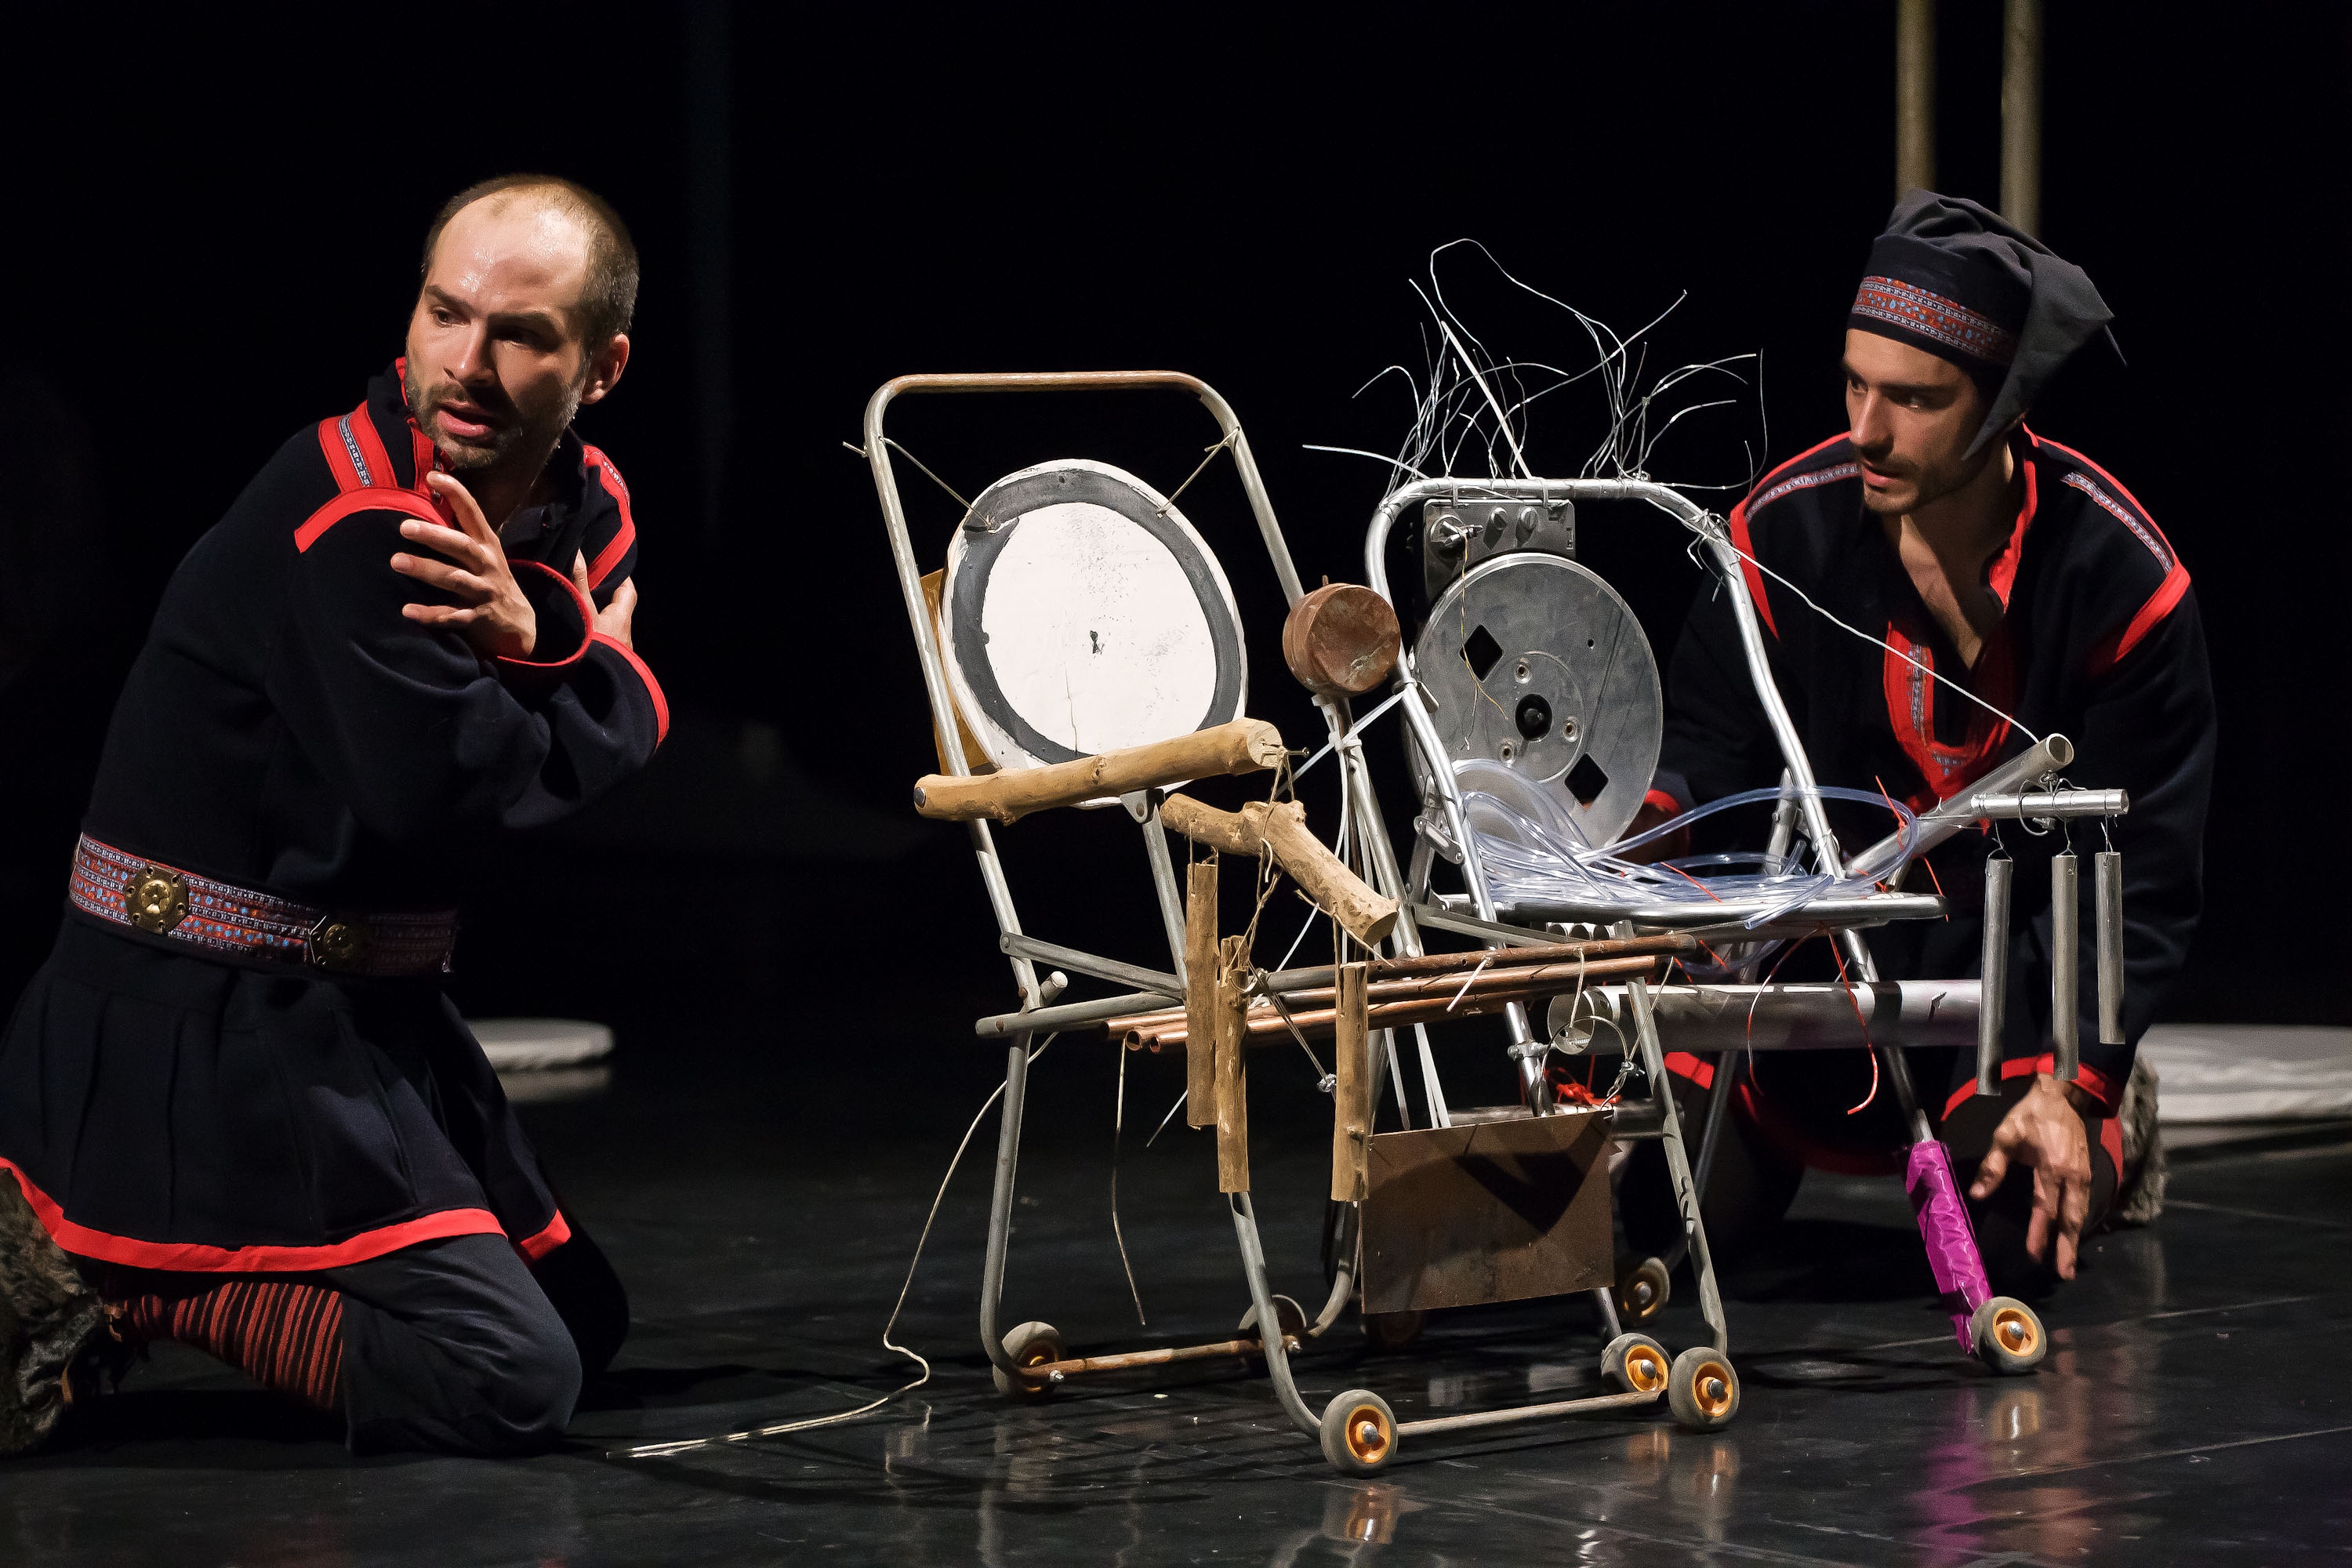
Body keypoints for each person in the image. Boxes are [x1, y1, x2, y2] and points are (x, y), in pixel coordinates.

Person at [0, 174, 669, 1457]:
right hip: (198, 1021)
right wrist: (602, 676)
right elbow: (471, 802)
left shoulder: (580, 502)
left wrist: (543, 641)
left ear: (601, 367)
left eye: (520, 335)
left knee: (584, 1325)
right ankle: (119, 1276)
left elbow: (531, 727)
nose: (466, 364)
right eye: (445, 314)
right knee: (510, 1380)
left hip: (359, 1011)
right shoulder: (361, 522)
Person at [1611, 191, 2213, 1290]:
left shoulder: (2123, 582)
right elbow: (1703, 755)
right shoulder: (1780, 534)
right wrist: (1619, 871)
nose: (1868, 431)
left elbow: (2150, 879)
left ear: (2001, 405)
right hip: (1818, 982)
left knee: (2008, 1250)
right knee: (1653, 1226)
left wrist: (2074, 1081)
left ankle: (2115, 1105)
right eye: (1856, 385)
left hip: (2016, 1002)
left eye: (1917, 399)